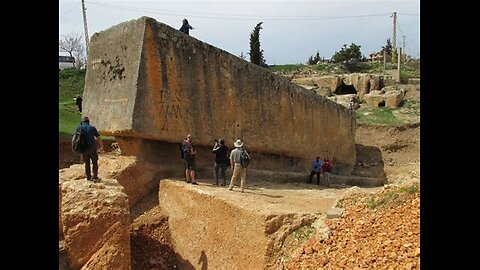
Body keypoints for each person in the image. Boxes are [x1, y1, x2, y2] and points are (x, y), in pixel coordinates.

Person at [75, 116, 103, 182]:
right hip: (92, 147)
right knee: (94, 162)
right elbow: (98, 138)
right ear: (88, 122)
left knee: (87, 163)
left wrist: (75, 147)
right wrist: (101, 146)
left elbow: (75, 138)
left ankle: (88, 177)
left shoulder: (79, 128)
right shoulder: (92, 128)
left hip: (83, 148)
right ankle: (95, 177)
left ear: (82, 122)